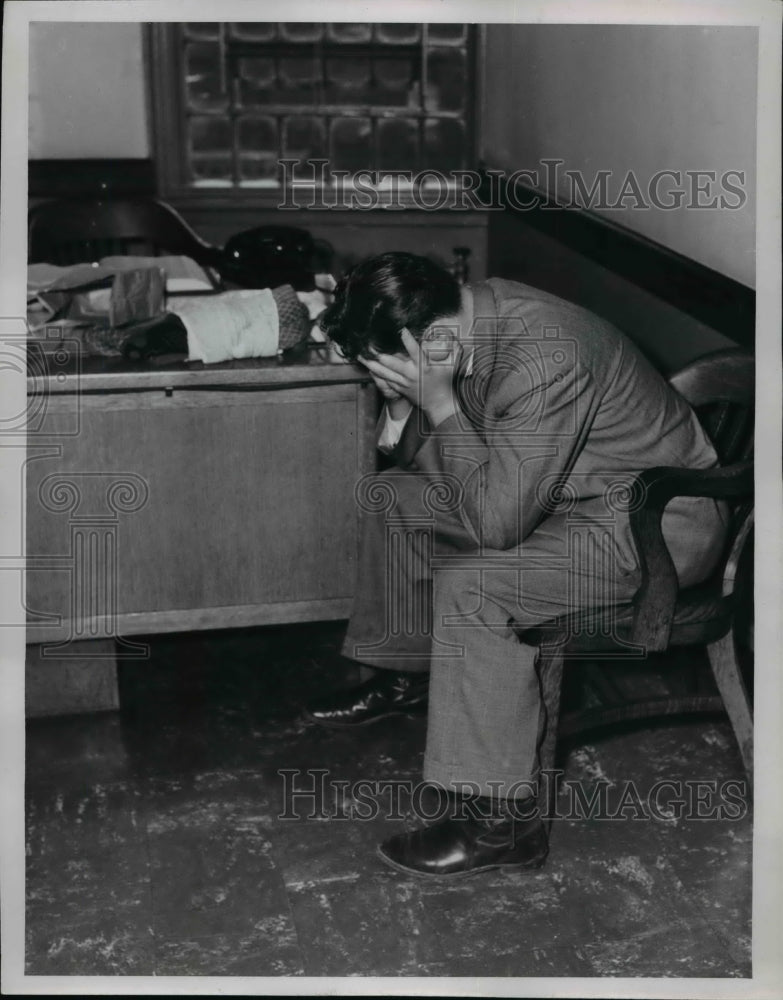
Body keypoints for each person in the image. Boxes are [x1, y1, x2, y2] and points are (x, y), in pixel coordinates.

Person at [303, 252, 728, 879]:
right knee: (394, 499)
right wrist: (402, 404)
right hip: (564, 499)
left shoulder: (543, 358)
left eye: (386, 366)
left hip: (654, 525)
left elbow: (497, 524)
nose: (382, 379)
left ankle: (501, 826)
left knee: (478, 585)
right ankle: (409, 671)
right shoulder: (462, 317)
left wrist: (439, 403)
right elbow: (452, 468)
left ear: (437, 339)